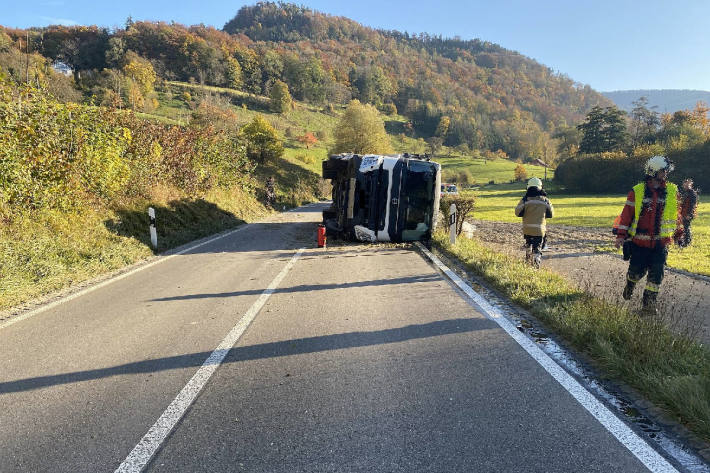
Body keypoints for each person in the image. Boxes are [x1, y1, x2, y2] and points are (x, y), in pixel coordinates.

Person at [614, 156, 684, 315]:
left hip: (661, 244)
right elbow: (626, 215)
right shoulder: (637, 191)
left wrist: (679, 233)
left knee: (656, 275)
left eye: (666, 171)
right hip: (639, 243)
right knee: (635, 272)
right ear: (653, 172)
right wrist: (620, 235)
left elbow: (676, 215)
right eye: (662, 171)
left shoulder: (673, 190)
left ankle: (648, 306)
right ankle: (630, 285)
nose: (665, 174)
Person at [515, 177, 554, 268]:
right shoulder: (545, 200)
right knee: (537, 247)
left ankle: (527, 260)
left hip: (527, 229)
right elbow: (551, 214)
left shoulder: (525, 200)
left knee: (528, 243)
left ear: (528, 187)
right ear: (540, 187)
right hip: (539, 230)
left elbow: (517, 212)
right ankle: (536, 264)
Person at [679, 178, 699, 248]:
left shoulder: (692, 193)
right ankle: (685, 241)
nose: (686, 186)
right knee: (684, 227)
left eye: (687, 184)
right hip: (683, 213)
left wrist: (689, 214)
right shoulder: (685, 192)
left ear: (690, 184)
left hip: (688, 213)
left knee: (686, 227)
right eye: (685, 185)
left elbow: (693, 205)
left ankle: (687, 242)